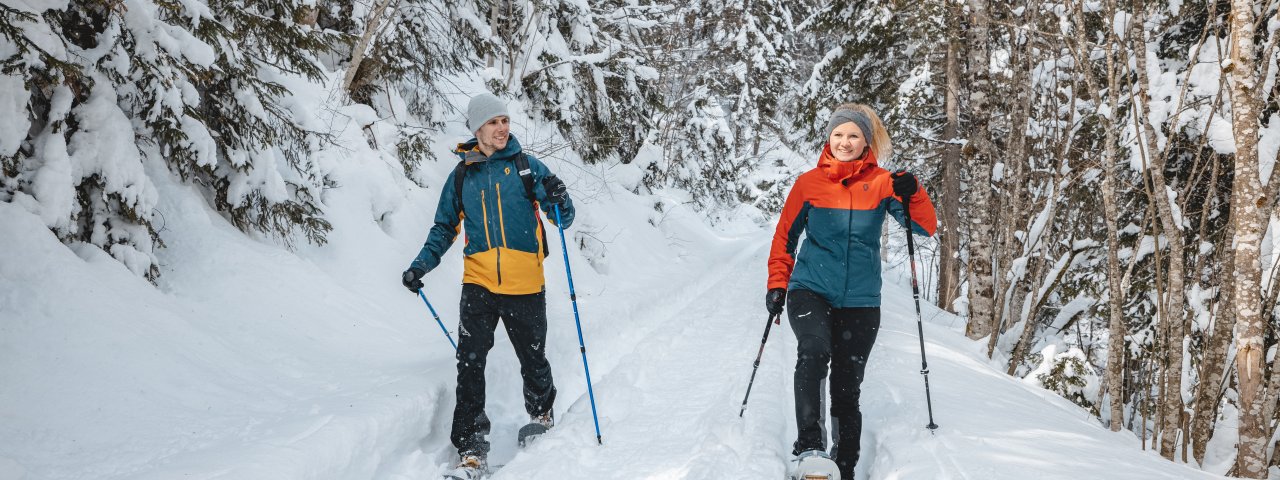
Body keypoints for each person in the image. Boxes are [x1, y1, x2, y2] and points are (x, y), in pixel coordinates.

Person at [401, 93, 574, 478]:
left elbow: (563, 218)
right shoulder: (462, 176)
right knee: (469, 365)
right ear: (477, 129)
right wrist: (420, 266)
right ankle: (471, 449)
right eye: (494, 122)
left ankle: (542, 415)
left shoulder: (527, 168)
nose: (502, 128)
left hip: (526, 283)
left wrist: (561, 199)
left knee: (533, 358)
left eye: (505, 121)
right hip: (478, 284)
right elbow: (444, 227)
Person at [765, 103, 937, 478]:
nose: (844, 142)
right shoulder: (808, 184)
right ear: (829, 138)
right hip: (810, 289)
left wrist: (915, 192)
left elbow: (924, 227)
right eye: (838, 134)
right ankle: (810, 446)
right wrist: (778, 284)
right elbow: (784, 239)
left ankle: (844, 465)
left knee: (847, 385)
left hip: (861, 300)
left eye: (853, 136)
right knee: (813, 353)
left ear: (865, 142)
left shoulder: (883, 183)